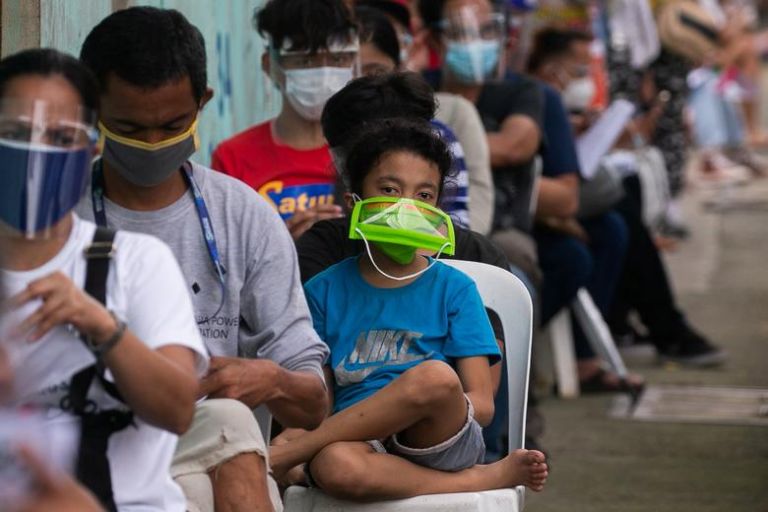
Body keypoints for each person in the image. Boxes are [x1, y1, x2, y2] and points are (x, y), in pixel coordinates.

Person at [75, 7, 329, 512]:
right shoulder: (58, 218)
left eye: (172, 126)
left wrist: (271, 378)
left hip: (212, 452)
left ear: (202, 103)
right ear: (92, 110)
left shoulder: (244, 217)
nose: (152, 145)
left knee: (222, 431)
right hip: (89, 450)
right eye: (129, 128)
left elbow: (313, 403)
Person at [271, 117, 548, 500]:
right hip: (358, 440)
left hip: (440, 436)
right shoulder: (323, 291)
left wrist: (411, 404)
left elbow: (482, 405)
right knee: (334, 465)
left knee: (434, 378)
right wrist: (304, 435)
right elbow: (323, 403)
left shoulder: (455, 289)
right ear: (354, 202)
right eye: (389, 189)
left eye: (424, 196)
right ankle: (481, 479)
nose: (407, 207)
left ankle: (294, 455)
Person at [0, 48, 207, 511]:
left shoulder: (135, 261)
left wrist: (103, 326)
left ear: (91, 148)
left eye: (61, 137)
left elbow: (179, 410)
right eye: (15, 134)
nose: (36, 154)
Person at [529, 26, 727, 367]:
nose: (584, 79)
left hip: (557, 200)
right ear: (550, 68)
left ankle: (620, 327)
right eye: (579, 69)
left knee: (617, 213)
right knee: (615, 213)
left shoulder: (551, 103)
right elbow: (557, 191)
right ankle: (658, 327)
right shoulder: (535, 98)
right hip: (545, 208)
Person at [211, 0, 358, 240]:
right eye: (306, 61)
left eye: (337, 59)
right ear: (270, 65)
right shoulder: (232, 159)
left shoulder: (368, 149)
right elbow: (225, 250)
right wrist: (280, 244)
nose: (323, 74)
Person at [355, 3, 495, 234]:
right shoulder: (335, 133)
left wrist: (425, 244)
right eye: (347, 67)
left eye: (374, 72)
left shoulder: (438, 133)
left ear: (398, 66)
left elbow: (460, 226)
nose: (358, 82)